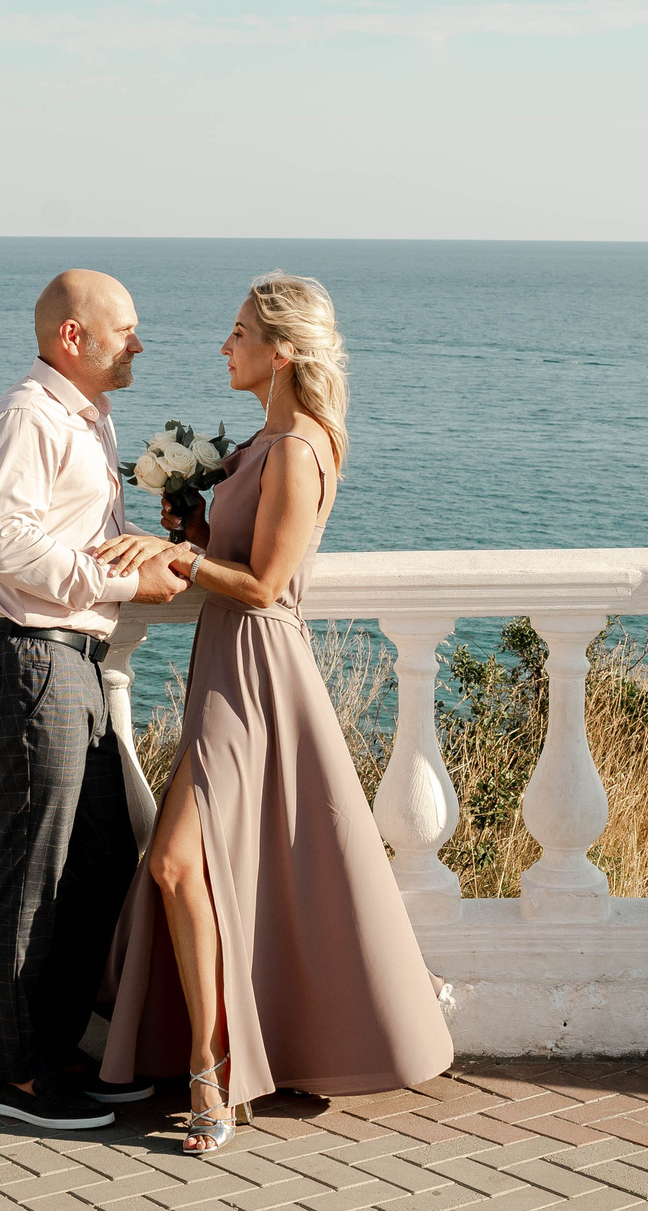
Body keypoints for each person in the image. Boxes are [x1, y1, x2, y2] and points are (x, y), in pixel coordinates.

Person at [93, 272, 454, 1154]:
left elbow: (262, 586)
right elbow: (238, 557)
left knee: (179, 864)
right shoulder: (269, 438)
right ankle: (220, 1062)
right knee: (207, 863)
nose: (227, 344)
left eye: (241, 331)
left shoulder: (296, 450)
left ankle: (210, 1077)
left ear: (283, 348)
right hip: (226, 659)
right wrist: (192, 520)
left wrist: (174, 551)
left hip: (254, 667)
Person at [0, 269, 188, 1130]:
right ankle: (17, 1078)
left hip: (74, 660)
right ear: (73, 339)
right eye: (126, 328)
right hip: (32, 657)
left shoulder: (86, 420)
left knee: (99, 859)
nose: (139, 342)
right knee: (36, 871)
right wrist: (119, 583)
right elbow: (8, 543)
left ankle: (57, 1053)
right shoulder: (24, 416)